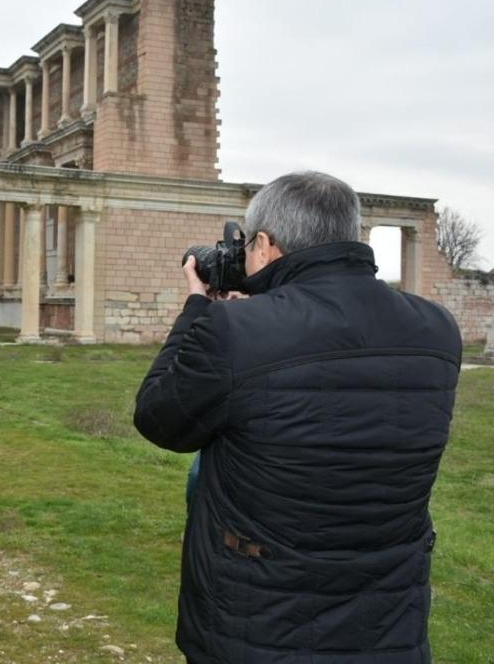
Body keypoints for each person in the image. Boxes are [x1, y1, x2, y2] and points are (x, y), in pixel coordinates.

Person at [134, 171, 461, 663]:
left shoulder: (232, 330)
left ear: (265, 244)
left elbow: (160, 418)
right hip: (388, 617)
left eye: (247, 245)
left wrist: (198, 309)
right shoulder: (437, 329)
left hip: (259, 620)